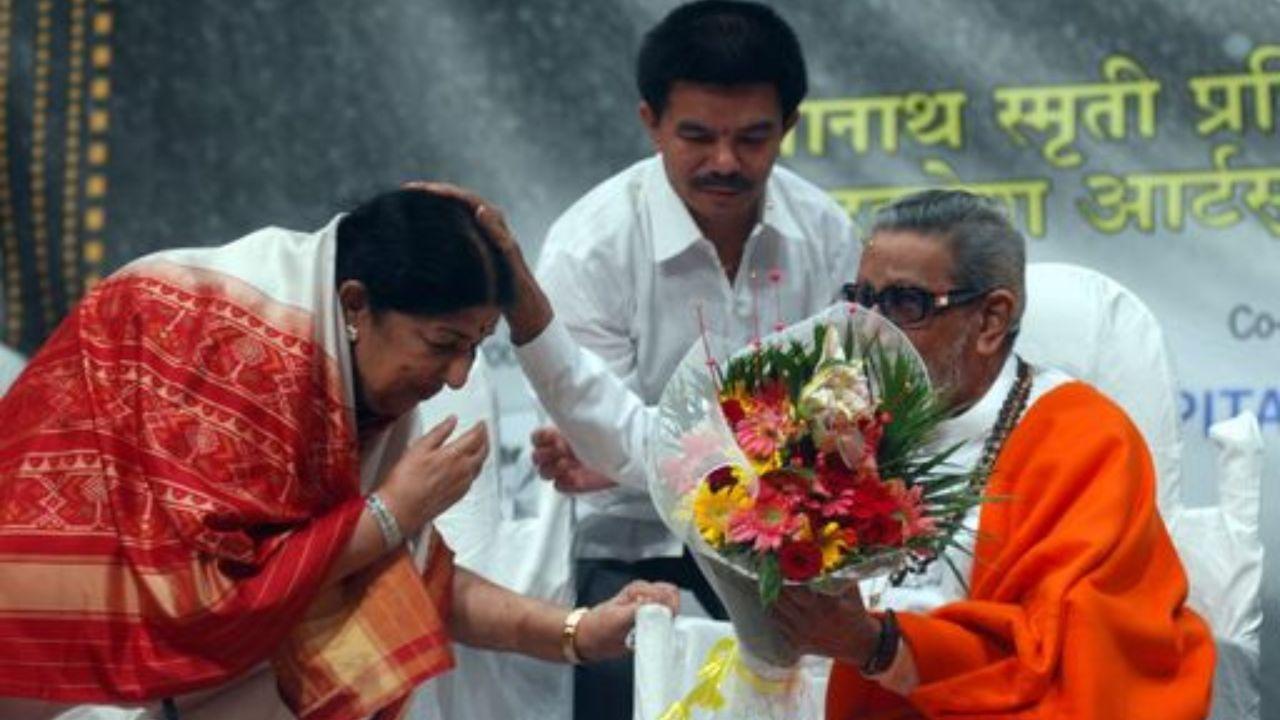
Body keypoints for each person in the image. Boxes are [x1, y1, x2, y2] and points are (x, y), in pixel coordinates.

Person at [0, 188, 678, 719]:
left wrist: (578, 633)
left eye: (476, 347)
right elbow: (202, 600)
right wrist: (388, 514)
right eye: (443, 345)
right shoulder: (243, 355)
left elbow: (401, 576)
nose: (459, 378)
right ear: (358, 305)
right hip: (57, 652)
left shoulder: (343, 372)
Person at [764, 190, 1215, 718]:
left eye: (905, 304)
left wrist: (878, 645)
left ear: (990, 321)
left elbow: (1069, 657)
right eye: (863, 301)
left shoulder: (1083, 441)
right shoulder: (833, 424)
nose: (871, 331)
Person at [527, 2, 859, 715]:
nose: (725, 163)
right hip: (634, 546)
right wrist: (635, 455)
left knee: (851, 682)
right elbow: (609, 447)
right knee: (634, 686)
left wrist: (645, 450)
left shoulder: (827, 232)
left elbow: (839, 420)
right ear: (650, 122)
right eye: (698, 136)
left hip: (788, 546)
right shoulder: (588, 249)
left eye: (753, 138)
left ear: (789, 127)